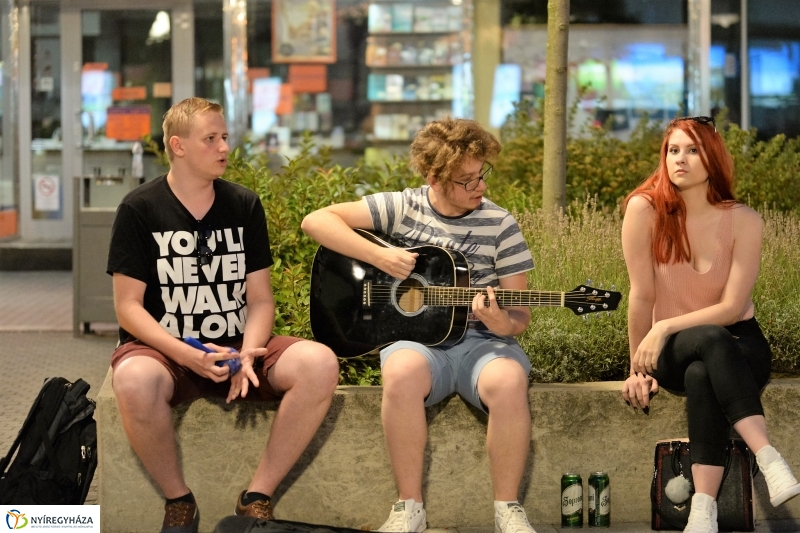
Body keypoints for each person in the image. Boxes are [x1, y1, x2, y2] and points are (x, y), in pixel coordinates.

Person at [107, 97, 340, 533]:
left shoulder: (243, 204)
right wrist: (187, 355)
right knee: (133, 380)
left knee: (320, 363)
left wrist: (250, 352)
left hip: (236, 345)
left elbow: (261, 299)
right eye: (210, 139)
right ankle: (179, 502)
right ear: (177, 145)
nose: (223, 148)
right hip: (165, 349)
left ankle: (256, 496)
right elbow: (127, 308)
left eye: (225, 137)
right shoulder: (140, 208)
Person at [301, 117, 538, 533]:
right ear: (435, 177)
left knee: (508, 382)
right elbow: (315, 222)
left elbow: (520, 316)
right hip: (417, 343)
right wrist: (380, 258)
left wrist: (502, 321)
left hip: (483, 344)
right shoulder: (402, 206)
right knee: (401, 371)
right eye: (467, 180)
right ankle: (409, 507)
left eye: (482, 174)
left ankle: (507, 510)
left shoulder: (501, 224)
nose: (480, 186)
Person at [620, 116, 800, 533]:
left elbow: (734, 307)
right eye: (673, 150)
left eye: (692, 150)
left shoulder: (744, 220)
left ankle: (703, 510)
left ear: (713, 157)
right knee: (703, 350)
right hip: (673, 351)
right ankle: (768, 457)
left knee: (706, 370)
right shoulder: (644, 209)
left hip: (740, 344)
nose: (679, 159)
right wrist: (637, 367)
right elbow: (642, 295)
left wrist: (663, 326)